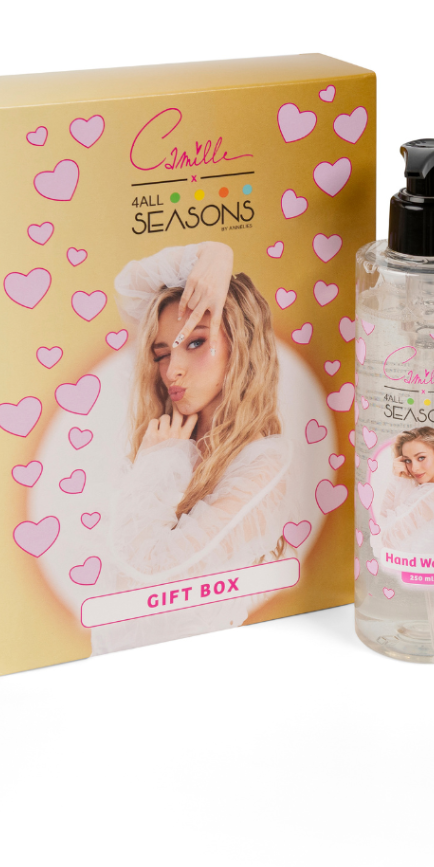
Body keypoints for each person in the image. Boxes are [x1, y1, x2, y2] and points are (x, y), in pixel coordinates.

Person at [90, 241, 296, 653]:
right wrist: (211, 254)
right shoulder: (166, 440)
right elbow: (129, 286)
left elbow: (154, 578)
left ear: (242, 343)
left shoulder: (262, 463)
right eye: (162, 353)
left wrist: (157, 467)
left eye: (196, 343)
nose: (173, 370)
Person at [369, 427, 434, 557]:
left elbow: (383, 540)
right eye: (407, 460)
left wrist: (397, 479)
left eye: (421, 458)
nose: (414, 468)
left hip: (410, 565)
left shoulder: (432, 495)